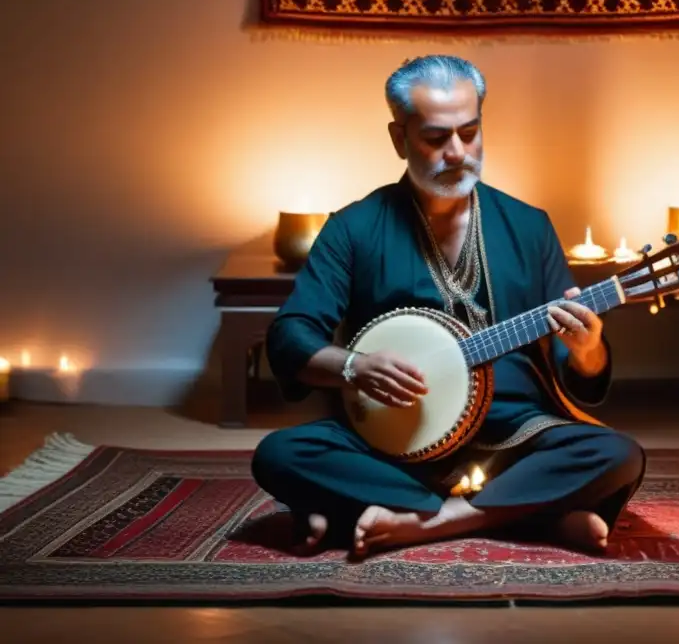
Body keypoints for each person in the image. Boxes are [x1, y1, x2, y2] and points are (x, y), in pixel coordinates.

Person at [251, 55, 645, 558]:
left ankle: (425, 521)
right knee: (280, 454)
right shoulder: (354, 228)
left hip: (516, 437)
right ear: (399, 139)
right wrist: (353, 365)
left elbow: (578, 370)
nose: (457, 152)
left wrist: (588, 350)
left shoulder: (528, 226)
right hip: (395, 445)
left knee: (616, 454)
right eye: (436, 138)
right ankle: (533, 513)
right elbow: (290, 336)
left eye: (470, 132)